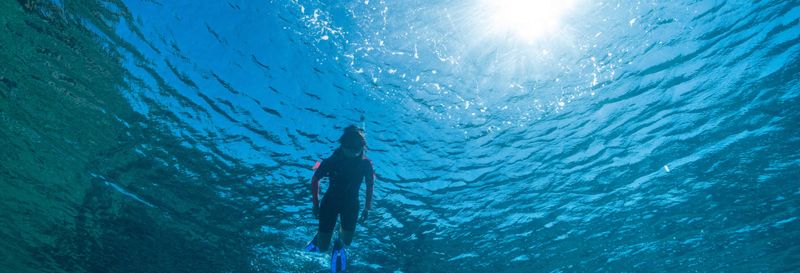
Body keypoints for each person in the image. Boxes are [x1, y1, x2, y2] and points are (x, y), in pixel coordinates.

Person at [305, 125, 375, 271]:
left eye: (355, 146)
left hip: (351, 205)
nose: (351, 151)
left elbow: (370, 185)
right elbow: (315, 179)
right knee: (323, 248)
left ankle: (338, 241)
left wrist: (367, 208)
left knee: (346, 241)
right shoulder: (332, 161)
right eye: (348, 146)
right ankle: (321, 236)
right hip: (329, 204)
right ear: (342, 144)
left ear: (361, 146)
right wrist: (315, 204)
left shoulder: (366, 164)